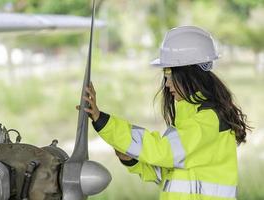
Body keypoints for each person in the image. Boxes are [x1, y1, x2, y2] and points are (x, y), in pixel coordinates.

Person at [77, 26, 251, 200]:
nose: (166, 84)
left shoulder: (207, 120)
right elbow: (168, 172)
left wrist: (103, 121)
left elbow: (162, 152)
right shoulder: (190, 119)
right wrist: (132, 160)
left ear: (188, 73)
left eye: (169, 75)